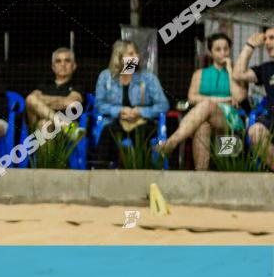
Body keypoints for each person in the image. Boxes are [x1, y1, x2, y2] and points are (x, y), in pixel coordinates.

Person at [156, 33, 248, 169]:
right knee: (202, 126)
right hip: (204, 120)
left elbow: (240, 97)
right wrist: (224, 99)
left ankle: (172, 142)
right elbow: (192, 98)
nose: (223, 52)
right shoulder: (199, 74)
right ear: (210, 52)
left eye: (226, 49)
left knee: (206, 105)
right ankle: (201, 177)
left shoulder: (237, 72)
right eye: (218, 49)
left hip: (230, 122)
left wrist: (230, 70)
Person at [94, 40, 169, 168]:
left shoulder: (148, 78)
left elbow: (163, 105)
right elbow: (99, 104)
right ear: (119, 57)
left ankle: (142, 170)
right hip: (116, 121)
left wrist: (140, 111)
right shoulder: (106, 76)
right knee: (109, 132)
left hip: (142, 121)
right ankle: (102, 173)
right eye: (130, 53)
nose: (136, 56)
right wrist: (120, 111)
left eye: (136, 53)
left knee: (141, 133)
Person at [230, 26, 274, 170]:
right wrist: (250, 45)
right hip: (271, 119)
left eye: (272, 38)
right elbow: (237, 74)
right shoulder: (267, 68)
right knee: (254, 131)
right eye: (265, 39)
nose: (267, 42)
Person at [25, 47, 84, 131]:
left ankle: (63, 125)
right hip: (39, 128)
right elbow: (30, 101)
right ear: (53, 67)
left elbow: (72, 103)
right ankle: (64, 124)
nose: (63, 64)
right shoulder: (44, 84)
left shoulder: (78, 85)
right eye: (58, 61)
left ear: (74, 66)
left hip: (63, 132)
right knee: (31, 99)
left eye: (67, 60)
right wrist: (60, 102)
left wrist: (41, 103)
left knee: (44, 123)